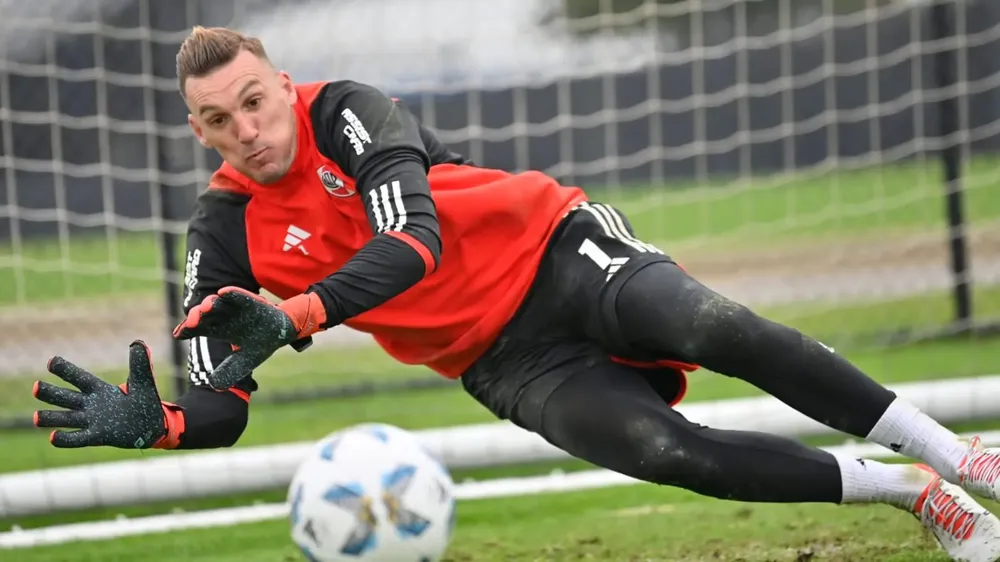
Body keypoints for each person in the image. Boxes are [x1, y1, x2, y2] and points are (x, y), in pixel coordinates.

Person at [29, 26, 1000, 560]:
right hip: (502, 360)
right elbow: (221, 399)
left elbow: (411, 240)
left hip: (555, 248)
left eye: (253, 101)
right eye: (217, 119)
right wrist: (162, 423)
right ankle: (912, 491)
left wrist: (297, 314)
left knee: (715, 325)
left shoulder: (349, 111)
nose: (244, 127)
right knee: (665, 452)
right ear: (199, 133)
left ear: (283, 86)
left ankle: (958, 454)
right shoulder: (222, 231)